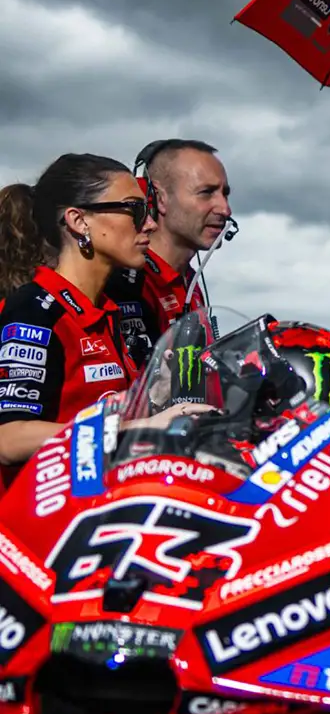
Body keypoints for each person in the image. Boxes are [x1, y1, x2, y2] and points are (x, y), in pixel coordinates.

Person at [0, 154, 200, 473]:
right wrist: (133, 429)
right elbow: (8, 439)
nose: (149, 224)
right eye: (134, 210)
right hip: (39, 516)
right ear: (79, 222)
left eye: (148, 210)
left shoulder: (117, 311)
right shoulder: (34, 311)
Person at [107, 139, 233, 365]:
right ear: (158, 198)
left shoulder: (189, 283)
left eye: (225, 194)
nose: (225, 209)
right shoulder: (126, 283)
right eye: (206, 193)